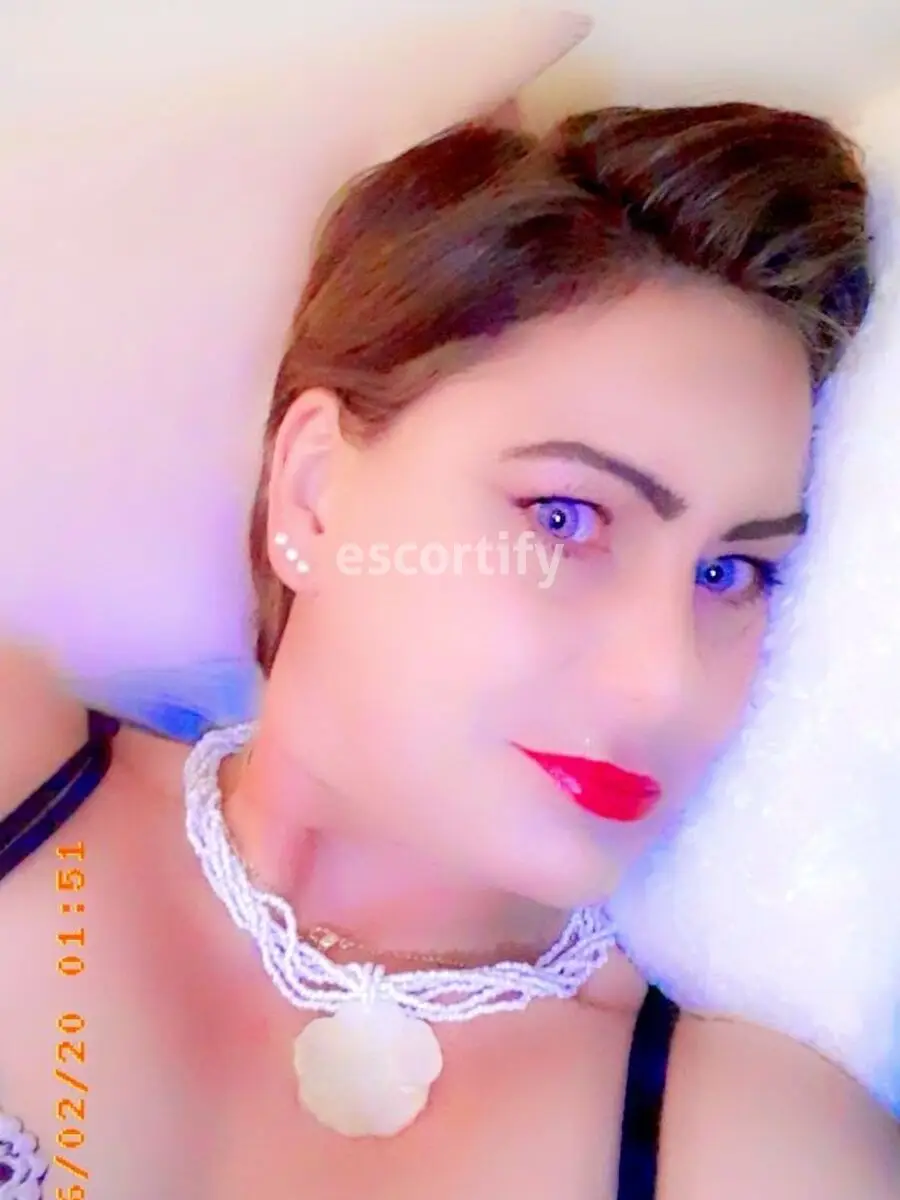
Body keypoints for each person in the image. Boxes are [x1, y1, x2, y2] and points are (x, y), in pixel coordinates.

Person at [1, 103, 897, 1200]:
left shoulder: (751, 1151)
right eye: (567, 518)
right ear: (315, 492)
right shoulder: (23, 787)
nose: (664, 681)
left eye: (730, 575)